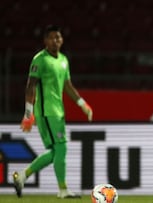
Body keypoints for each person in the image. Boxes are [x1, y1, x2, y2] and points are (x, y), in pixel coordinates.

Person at [13, 25, 93, 198]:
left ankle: (22, 176)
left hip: (58, 111)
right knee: (61, 148)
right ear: (45, 41)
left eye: (58, 37)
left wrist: (82, 104)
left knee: (55, 152)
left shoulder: (63, 60)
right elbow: (30, 86)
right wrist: (28, 114)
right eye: (51, 38)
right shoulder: (39, 59)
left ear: (62, 40)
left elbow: (67, 86)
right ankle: (62, 189)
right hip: (46, 112)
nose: (55, 41)